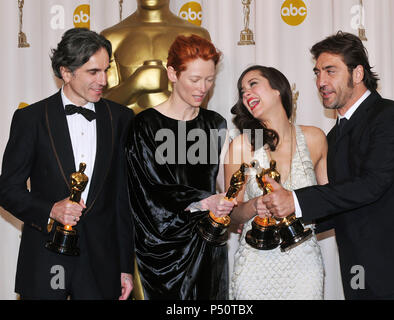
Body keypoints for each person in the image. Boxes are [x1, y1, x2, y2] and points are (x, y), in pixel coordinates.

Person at [263, 31, 394, 299]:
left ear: (357, 74)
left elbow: (370, 186)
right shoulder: (333, 136)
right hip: (356, 272)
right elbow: (338, 204)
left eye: (330, 71)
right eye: (317, 72)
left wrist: (296, 201)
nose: (320, 81)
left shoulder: (390, 116)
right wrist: (280, 223)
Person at [0, 28, 134, 299]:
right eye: (93, 72)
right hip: (46, 257)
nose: (104, 80)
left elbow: (123, 199)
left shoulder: (121, 118)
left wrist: (124, 267)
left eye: (106, 70)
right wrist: (50, 209)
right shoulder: (31, 118)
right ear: (66, 72)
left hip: (101, 262)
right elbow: (7, 188)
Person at [125, 34, 234, 300]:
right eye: (194, 79)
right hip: (159, 256)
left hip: (208, 246)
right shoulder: (144, 125)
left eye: (209, 79)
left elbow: (225, 184)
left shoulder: (215, 125)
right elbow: (147, 191)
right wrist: (203, 201)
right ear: (172, 74)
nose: (202, 88)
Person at [224, 65, 328, 300]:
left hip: (304, 267)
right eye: (242, 91)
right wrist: (254, 206)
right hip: (254, 265)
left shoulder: (315, 138)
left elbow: (330, 203)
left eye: (253, 84)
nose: (246, 93)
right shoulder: (241, 146)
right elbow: (230, 213)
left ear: (277, 90)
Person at [101, 0, 211, 114]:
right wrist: (135, 84)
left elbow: (201, 103)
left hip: (180, 129)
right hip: (128, 129)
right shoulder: (111, 37)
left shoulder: (196, 37)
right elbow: (102, 105)